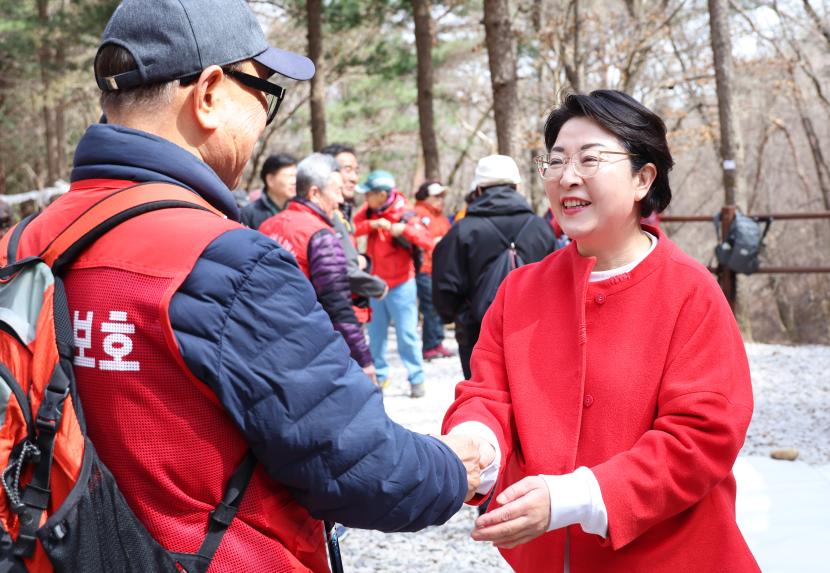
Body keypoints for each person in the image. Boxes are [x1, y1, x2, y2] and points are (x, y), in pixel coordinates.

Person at [11, 2, 483, 571]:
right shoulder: (223, 260)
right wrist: (455, 467)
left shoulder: (22, 245)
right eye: (264, 91)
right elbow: (361, 467)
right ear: (209, 93)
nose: (265, 114)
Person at [443, 90, 760, 572]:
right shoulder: (521, 289)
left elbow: (702, 437)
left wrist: (576, 496)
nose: (568, 175)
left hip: (675, 558)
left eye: (590, 159)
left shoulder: (691, 292)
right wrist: (475, 443)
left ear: (642, 178)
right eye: (555, 160)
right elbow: (489, 393)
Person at [432, 154, 556, 379]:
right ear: (517, 187)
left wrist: (461, 316)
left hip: (476, 336)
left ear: (478, 189)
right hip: (533, 336)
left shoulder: (461, 231)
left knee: (483, 402)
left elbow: (445, 290)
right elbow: (558, 284)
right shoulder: (540, 228)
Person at [259, 153, 377, 383]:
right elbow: (337, 304)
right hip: (309, 350)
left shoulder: (267, 226)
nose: (340, 200)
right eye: (336, 191)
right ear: (314, 192)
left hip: (269, 346)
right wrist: (364, 359)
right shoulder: (320, 234)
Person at [353, 170, 434, 397]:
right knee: (376, 335)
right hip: (376, 285)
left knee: (407, 334)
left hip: (402, 284)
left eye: (368, 193)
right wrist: (373, 224)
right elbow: (352, 227)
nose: (365, 198)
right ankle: (379, 377)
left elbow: (427, 241)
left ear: (381, 194)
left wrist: (403, 230)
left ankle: (416, 379)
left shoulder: (405, 212)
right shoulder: (370, 211)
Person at [321, 143, 389, 319]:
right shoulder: (325, 213)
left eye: (356, 171)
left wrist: (362, 260)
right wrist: (378, 287)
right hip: (334, 312)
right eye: (347, 170)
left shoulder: (344, 211)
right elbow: (341, 268)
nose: (354, 178)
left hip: (349, 307)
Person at [413, 181, 454, 361]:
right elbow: (420, 239)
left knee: (438, 306)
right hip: (425, 268)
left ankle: (437, 342)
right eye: (436, 196)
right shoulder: (419, 213)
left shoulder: (441, 217)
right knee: (430, 307)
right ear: (425, 197)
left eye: (441, 196)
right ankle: (430, 345)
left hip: (440, 268)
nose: (440, 200)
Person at [240, 152, 297, 229]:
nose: (294, 181)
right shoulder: (248, 214)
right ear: (270, 180)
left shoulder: (298, 211)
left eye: (296, 176)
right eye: (289, 176)